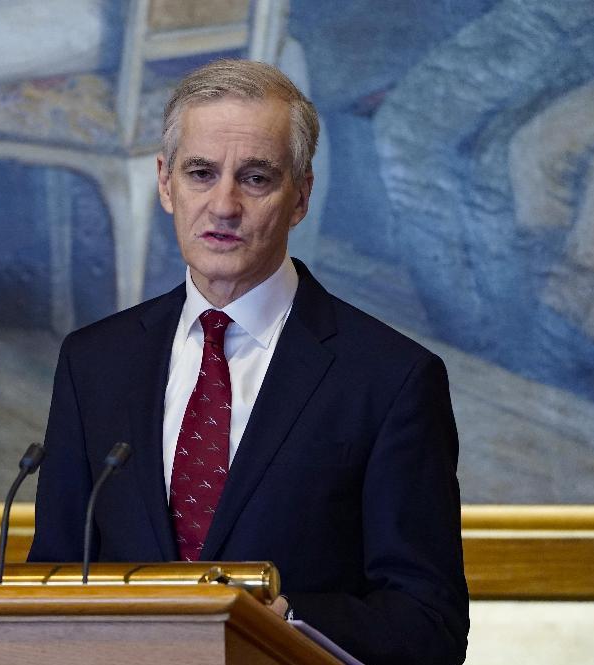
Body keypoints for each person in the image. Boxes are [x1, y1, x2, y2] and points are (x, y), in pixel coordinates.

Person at [28, 59, 469, 665]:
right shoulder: (93, 362)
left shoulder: (390, 379)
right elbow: (49, 580)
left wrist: (279, 619)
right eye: (201, 173)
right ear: (165, 183)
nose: (224, 205)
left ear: (301, 195)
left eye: (256, 178)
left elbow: (428, 624)